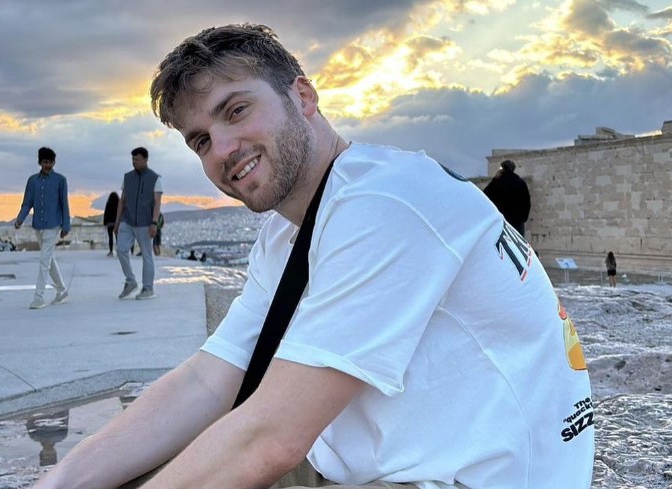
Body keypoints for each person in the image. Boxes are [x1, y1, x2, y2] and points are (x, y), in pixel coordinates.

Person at [30, 24, 594, 489]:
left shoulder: (384, 203)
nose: (222, 149)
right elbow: (207, 381)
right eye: (200, 139)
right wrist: (58, 482)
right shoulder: (289, 229)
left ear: (303, 97)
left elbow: (271, 437)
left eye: (236, 110)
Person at [14, 147, 71, 310]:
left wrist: (66, 225)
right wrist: (20, 219)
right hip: (38, 225)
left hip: (54, 225)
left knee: (44, 261)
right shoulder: (33, 181)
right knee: (49, 259)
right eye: (45, 162)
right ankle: (62, 290)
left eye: (50, 162)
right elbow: (27, 203)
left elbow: (64, 204)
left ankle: (38, 297)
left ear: (54, 163)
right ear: (40, 162)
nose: (47, 165)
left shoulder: (60, 180)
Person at [114, 147, 163, 300]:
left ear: (145, 160)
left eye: (137, 159)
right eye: (133, 159)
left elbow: (157, 203)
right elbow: (122, 200)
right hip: (127, 221)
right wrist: (117, 222)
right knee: (121, 249)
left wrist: (154, 223)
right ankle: (130, 281)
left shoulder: (155, 179)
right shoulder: (127, 177)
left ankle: (148, 289)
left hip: (145, 224)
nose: (134, 162)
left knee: (147, 255)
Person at [483, 159, 531, 236]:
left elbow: (485, 196)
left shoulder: (497, 183)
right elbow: (526, 203)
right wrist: (522, 218)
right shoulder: (521, 183)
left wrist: (494, 179)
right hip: (517, 223)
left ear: (502, 169)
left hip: (501, 221)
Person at [103, 191, 120, 256]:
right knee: (117, 238)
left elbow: (106, 214)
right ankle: (118, 251)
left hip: (110, 223)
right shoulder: (118, 204)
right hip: (116, 223)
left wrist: (105, 223)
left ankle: (111, 251)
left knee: (110, 238)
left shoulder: (108, 203)